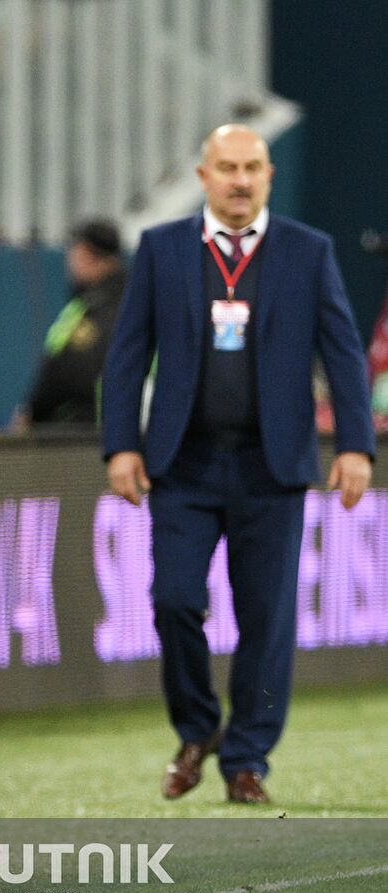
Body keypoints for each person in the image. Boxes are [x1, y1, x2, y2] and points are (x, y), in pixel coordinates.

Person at [102, 124, 375, 804]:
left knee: (266, 618)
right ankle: (197, 728)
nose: (239, 179)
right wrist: (120, 445)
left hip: (270, 466)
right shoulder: (162, 249)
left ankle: (245, 758)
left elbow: (341, 352)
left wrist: (353, 446)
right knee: (172, 601)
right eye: (226, 166)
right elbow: (127, 353)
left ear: (269, 175)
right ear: (202, 175)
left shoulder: (308, 252)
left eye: (252, 166)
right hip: (183, 463)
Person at [20, 218, 126, 426]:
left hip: (81, 432)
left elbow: (69, 370)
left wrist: (34, 412)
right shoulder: (126, 299)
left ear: (86, 254)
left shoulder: (99, 310)